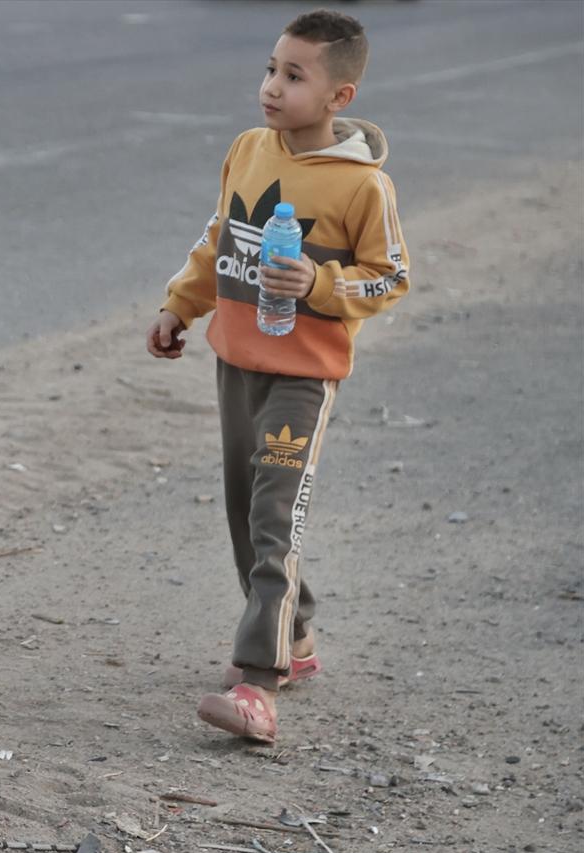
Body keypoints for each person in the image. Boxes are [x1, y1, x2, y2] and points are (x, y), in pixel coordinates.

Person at [146, 9, 410, 744]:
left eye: (294, 76)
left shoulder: (364, 187)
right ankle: (294, 635)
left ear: (339, 97)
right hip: (237, 360)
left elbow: (391, 277)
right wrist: (180, 305)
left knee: (274, 518)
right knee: (244, 509)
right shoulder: (248, 149)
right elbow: (218, 238)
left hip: (303, 374)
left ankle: (259, 684)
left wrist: (320, 283)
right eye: (271, 68)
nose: (271, 86)